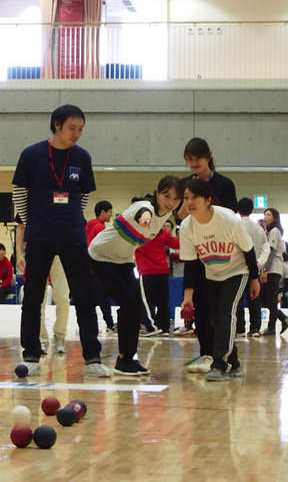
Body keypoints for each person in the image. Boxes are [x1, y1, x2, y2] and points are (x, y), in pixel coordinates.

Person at [12, 104, 110, 377]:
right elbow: (19, 191)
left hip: (72, 235)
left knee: (84, 295)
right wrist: (31, 221)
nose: (77, 133)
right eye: (72, 128)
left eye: (81, 129)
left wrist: (72, 217)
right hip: (40, 234)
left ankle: (92, 358)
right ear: (56, 125)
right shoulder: (32, 154)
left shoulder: (82, 157)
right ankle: (31, 354)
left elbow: (84, 196)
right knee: (32, 296)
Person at [89, 176, 182, 375]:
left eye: (176, 199)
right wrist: (145, 217)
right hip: (100, 256)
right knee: (130, 303)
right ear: (157, 193)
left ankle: (128, 359)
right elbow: (143, 210)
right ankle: (124, 360)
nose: (171, 202)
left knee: (136, 306)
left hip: (122, 259)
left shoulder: (165, 214)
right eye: (167, 196)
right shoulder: (143, 206)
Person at [179, 179, 260, 381]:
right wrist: (188, 297)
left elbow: (249, 250)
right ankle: (235, 363)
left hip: (237, 271)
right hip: (212, 274)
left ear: (208, 200)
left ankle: (220, 364)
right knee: (215, 320)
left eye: (195, 197)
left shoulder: (228, 219)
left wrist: (254, 279)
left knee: (226, 314)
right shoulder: (187, 226)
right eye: (186, 197)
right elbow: (190, 264)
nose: (189, 202)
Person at [176, 137, 238, 372]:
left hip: (222, 253)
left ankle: (225, 355)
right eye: (189, 159)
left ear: (209, 156)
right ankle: (206, 353)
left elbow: (231, 217)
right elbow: (180, 217)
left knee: (219, 308)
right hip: (196, 251)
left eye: (197, 158)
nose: (193, 163)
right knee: (200, 306)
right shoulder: (185, 185)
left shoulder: (224, 184)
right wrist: (188, 194)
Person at [134, 206, 180, 337]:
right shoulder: (162, 233)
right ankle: (164, 328)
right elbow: (176, 244)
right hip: (162, 271)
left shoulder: (139, 233)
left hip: (147, 271)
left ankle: (152, 326)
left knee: (146, 300)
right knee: (162, 300)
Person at [236, 197, 270, 336]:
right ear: (251, 210)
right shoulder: (259, 228)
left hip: (238, 268)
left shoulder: (235, 226)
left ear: (238, 210)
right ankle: (255, 328)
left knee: (237, 299)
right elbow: (265, 248)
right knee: (254, 297)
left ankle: (239, 328)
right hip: (254, 268)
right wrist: (259, 262)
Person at [260, 207, 288, 335]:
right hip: (269, 269)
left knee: (271, 298)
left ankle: (272, 327)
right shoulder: (269, 232)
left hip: (273, 269)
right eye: (264, 214)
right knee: (264, 298)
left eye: (268, 215)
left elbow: (271, 252)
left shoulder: (275, 231)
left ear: (274, 218)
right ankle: (284, 318)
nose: (265, 217)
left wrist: (265, 270)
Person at [86, 200, 117, 333]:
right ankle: (110, 324)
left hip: (88, 268)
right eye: (110, 212)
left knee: (92, 298)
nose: (111, 215)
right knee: (104, 297)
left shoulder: (89, 226)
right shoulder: (100, 228)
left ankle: (89, 324)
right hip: (98, 268)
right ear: (103, 212)